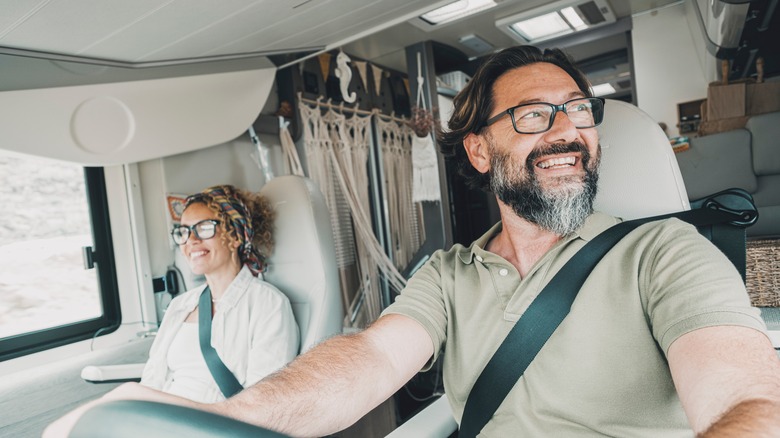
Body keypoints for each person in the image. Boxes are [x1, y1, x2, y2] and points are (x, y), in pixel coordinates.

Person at [45, 46, 780, 437]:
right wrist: (219, 421)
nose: (566, 131)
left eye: (579, 112)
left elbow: (749, 402)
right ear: (481, 152)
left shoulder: (663, 254)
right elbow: (366, 358)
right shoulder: (449, 272)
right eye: (533, 116)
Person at [147, 185, 300, 403]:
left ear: (236, 235)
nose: (191, 241)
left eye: (204, 228)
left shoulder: (268, 304)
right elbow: (152, 379)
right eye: (184, 231)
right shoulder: (180, 305)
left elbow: (263, 402)